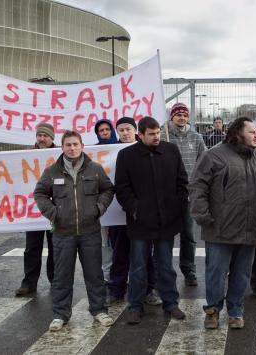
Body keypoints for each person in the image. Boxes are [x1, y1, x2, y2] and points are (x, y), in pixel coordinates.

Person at [190, 116, 256, 330]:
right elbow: (197, 188)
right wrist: (203, 216)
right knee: (216, 273)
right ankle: (212, 310)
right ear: (237, 133)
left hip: (251, 229)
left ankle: (236, 311)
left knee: (242, 274)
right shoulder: (213, 156)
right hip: (220, 228)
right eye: (252, 131)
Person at [34, 130, 116, 331]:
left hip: (90, 231)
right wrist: (53, 213)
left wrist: (99, 208)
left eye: (75, 145)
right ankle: (60, 314)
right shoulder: (52, 171)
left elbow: (108, 189)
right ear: (62, 147)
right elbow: (40, 193)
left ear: (82, 146)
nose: (72, 148)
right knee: (62, 276)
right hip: (63, 233)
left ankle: (99, 311)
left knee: (94, 274)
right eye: (68, 145)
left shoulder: (95, 169)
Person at [116, 116, 188, 325]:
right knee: (138, 266)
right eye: (151, 134)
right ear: (140, 135)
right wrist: (136, 210)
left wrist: (178, 207)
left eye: (158, 133)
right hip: (140, 224)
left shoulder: (171, 151)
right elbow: (122, 188)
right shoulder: (127, 155)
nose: (156, 137)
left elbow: (182, 182)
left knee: (166, 265)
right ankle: (135, 306)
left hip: (167, 221)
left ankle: (170, 303)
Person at [106, 117, 162, 307]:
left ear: (135, 131)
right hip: (117, 213)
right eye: (120, 130)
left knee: (146, 255)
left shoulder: (147, 150)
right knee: (119, 252)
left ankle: (149, 289)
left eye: (128, 129)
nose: (124, 133)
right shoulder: (106, 151)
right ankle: (117, 289)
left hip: (142, 215)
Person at [161, 103, 206, 286]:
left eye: (185, 115)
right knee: (165, 236)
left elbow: (204, 162)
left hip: (189, 196)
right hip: (166, 196)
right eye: (178, 114)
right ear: (172, 116)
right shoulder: (162, 136)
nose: (181, 117)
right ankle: (164, 273)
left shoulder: (196, 137)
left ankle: (189, 271)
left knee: (189, 235)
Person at [16, 123, 57, 296]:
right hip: (33, 210)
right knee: (32, 247)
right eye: (39, 135)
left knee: (56, 247)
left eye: (45, 135)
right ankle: (29, 282)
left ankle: (55, 281)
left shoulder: (60, 155)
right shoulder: (27, 155)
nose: (41, 138)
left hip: (54, 210)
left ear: (52, 138)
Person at [94, 119, 118, 283]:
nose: (104, 132)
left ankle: (123, 271)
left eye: (106, 129)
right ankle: (107, 274)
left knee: (121, 240)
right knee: (105, 242)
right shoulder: (93, 151)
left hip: (120, 204)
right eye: (100, 130)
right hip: (103, 202)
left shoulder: (121, 147)